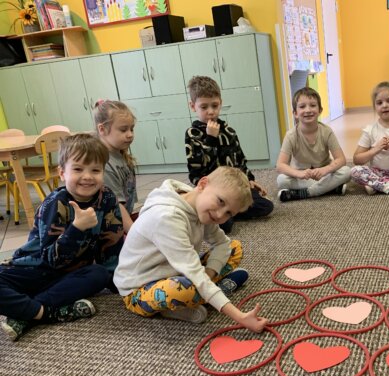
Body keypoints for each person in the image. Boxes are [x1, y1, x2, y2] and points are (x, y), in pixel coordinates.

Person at [113, 166, 268, 333]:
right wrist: (241, 317)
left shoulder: (201, 205)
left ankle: (204, 294)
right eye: (221, 201)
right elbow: (194, 273)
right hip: (138, 290)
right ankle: (201, 296)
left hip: (179, 271)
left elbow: (223, 244)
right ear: (202, 184)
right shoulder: (167, 217)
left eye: (229, 213)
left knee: (233, 248)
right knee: (184, 289)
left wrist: (208, 275)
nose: (220, 215)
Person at [0, 134, 125, 341]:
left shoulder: (107, 198)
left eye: (95, 170)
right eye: (78, 169)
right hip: (33, 269)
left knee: (99, 274)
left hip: (68, 274)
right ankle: (46, 312)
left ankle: (27, 312)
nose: (87, 176)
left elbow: (111, 246)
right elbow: (51, 260)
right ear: (62, 173)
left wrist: (121, 286)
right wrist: (76, 228)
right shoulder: (54, 203)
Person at [185, 76, 273, 233]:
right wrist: (211, 139)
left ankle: (230, 211)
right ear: (193, 106)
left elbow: (240, 160)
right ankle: (228, 213)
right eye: (204, 107)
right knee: (224, 225)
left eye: (215, 105)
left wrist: (249, 180)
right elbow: (198, 171)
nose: (211, 112)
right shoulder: (192, 134)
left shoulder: (229, 131)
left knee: (266, 206)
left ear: (220, 103)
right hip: (214, 192)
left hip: (233, 189)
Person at [276, 87, 351, 202]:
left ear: (320, 110)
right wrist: (299, 174)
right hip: (302, 176)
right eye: (302, 106)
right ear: (295, 113)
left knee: (346, 172)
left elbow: (341, 159)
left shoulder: (326, 131)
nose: (308, 110)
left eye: (312, 105)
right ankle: (329, 188)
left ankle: (307, 193)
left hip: (324, 174)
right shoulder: (291, 135)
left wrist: (325, 170)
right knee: (281, 180)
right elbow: (280, 165)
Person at [94, 99, 138, 233]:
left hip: (121, 221)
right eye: (123, 130)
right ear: (102, 129)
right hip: (109, 229)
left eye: (131, 129)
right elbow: (117, 207)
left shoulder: (119, 154)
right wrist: (135, 233)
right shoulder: (104, 164)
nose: (130, 134)